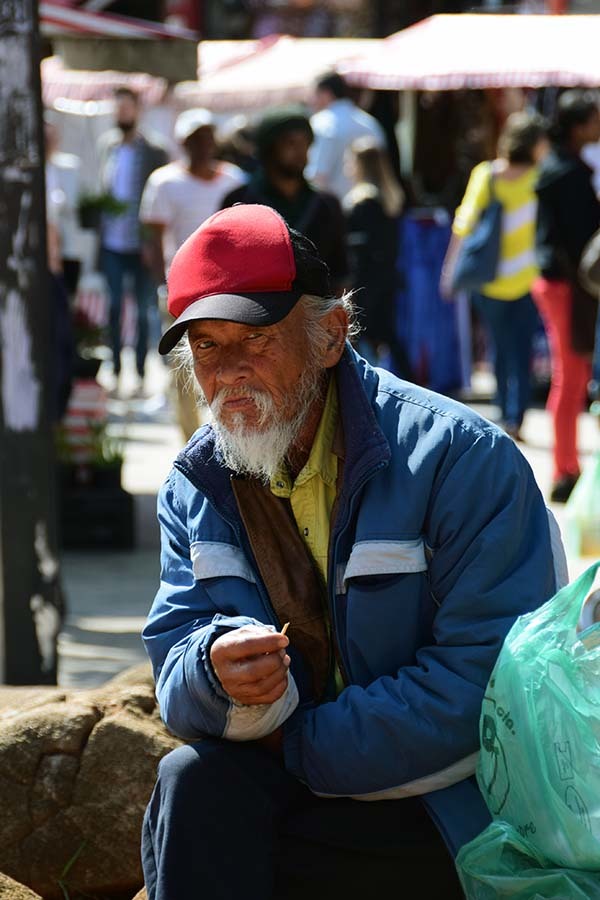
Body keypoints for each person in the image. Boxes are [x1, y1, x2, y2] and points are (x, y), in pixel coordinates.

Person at [140, 203, 567, 900]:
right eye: (208, 348)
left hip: (441, 800)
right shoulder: (198, 483)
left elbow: (486, 688)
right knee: (190, 787)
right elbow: (174, 655)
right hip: (291, 774)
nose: (230, 373)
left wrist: (297, 741)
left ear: (332, 334)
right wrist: (216, 677)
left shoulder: (458, 459)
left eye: (255, 339)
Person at [140, 107, 247, 439]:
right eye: (195, 138)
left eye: (207, 137)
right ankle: (192, 441)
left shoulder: (235, 180)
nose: (203, 145)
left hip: (231, 289)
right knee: (184, 367)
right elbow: (152, 237)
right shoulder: (165, 182)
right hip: (183, 289)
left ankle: (232, 433)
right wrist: (163, 282)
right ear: (183, 143)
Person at [442, 111, 550, 442]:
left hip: (487, 279)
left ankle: (505, 412)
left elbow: (463, 224)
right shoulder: (540, 177)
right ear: (534, 144)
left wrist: (449, 269)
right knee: (520, 349)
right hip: (529, 278)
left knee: (499, 348)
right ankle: (515, 415)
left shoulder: (487, 175)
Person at [532, 90, 600, 502]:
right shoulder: (569, 172)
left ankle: (566, 463)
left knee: (573, 376)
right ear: (579, 124)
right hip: (565, 285)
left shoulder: (559, 165)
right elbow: (580, 241)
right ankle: (564, 469)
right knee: (571, 376)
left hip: (557, 282)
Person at [221, 106, 348, 290]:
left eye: (305, 143)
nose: (300, 152)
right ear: (269, 148)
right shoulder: (239, 202)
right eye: (290, 143)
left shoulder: (326, 204)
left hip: (315, 311)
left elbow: (340, 273)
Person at [97, 86, 169, 396]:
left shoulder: (154, 150)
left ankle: (140, 373)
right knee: (113, 308)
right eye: (118, 108)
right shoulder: (107, 147)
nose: (122, 113)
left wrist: (151, 245)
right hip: (112, 242)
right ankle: (114, 370)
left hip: (141, 245)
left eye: (127, 108)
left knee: (142, 310)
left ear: (138, 110)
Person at [344, 136, 409, 375]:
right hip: (387, 276)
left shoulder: (363, 202)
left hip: (366, 281)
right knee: (387, 336)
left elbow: (360, 248)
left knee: (360, 335)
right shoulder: (390, 198)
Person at [307, 71, 386, 202]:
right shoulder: (370, 124)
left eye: (314, 94)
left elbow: (317, 176)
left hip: (333, 212)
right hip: (371, 208)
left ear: (326, 94)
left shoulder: (321, 124)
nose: (311, 100)